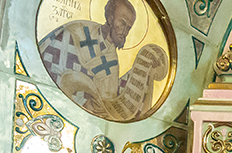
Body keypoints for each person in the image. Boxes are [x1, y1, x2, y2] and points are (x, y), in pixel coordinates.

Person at [38, 0, 168, 122]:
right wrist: (82, 102)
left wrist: (142, 71)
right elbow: (47, 74)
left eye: (128, 28)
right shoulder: (75, 34)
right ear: (110, 18)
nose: (125, 31)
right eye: (122, 23)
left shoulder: (112, 59)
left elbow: (110, 98)